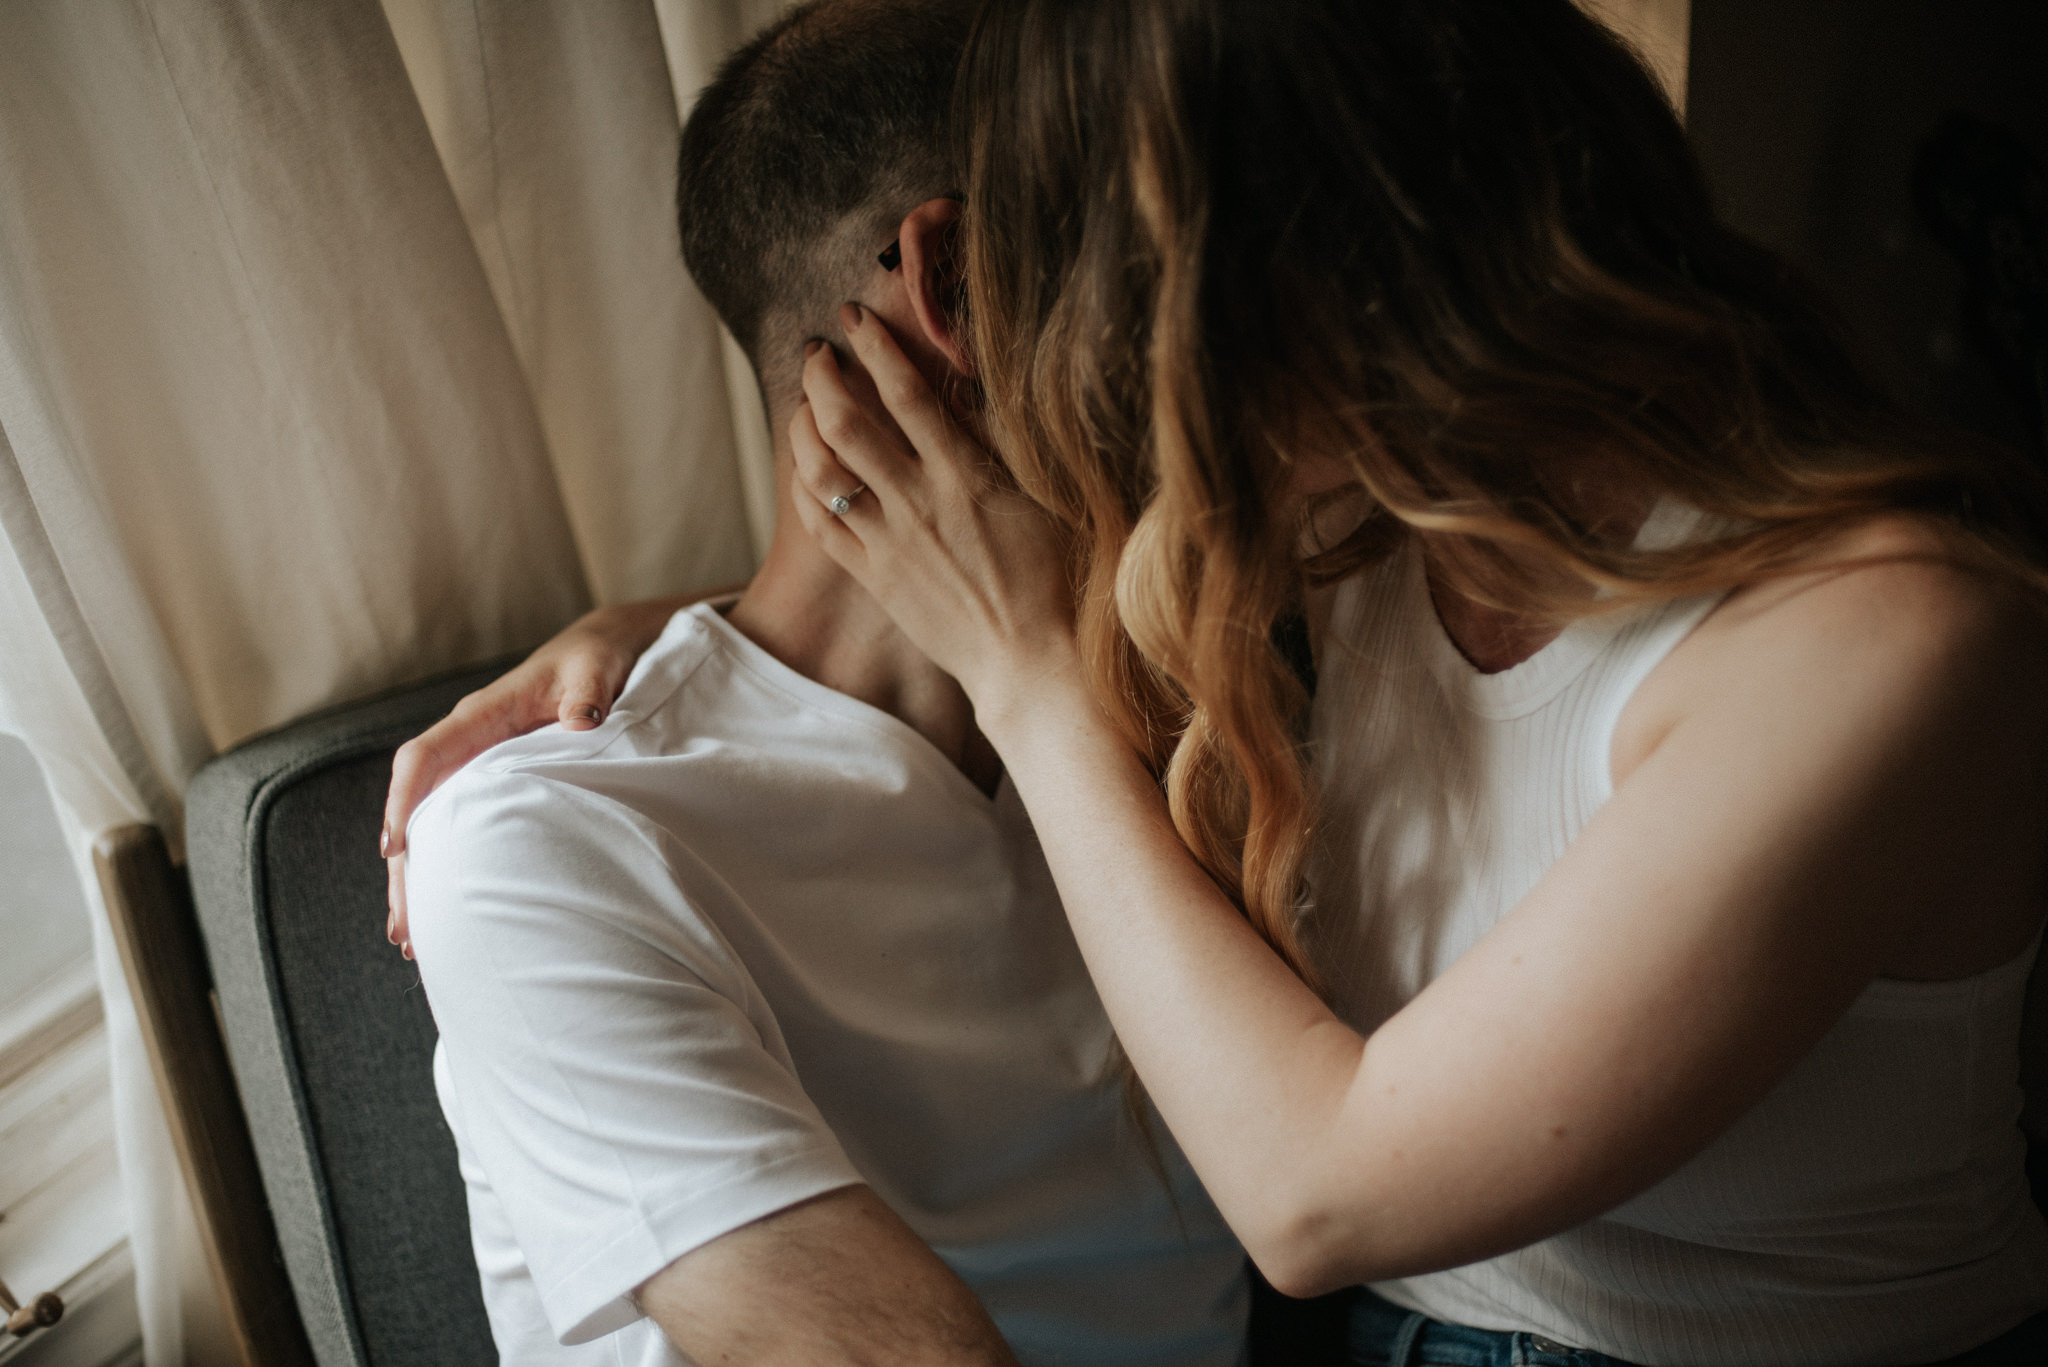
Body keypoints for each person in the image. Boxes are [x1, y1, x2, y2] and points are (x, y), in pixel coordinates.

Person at [390, 1, 2048, 1363]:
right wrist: (673, 649)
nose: (1134, 369)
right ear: (957, 295)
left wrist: (1025, 679)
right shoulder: (1359, 542)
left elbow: (1319, 1197)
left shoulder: (1877, 639)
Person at [398, 4, 1248, 1364]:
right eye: (1200, 249)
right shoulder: (545, 843)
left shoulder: (1191, 703)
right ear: (959, 288)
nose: (1266, 333)